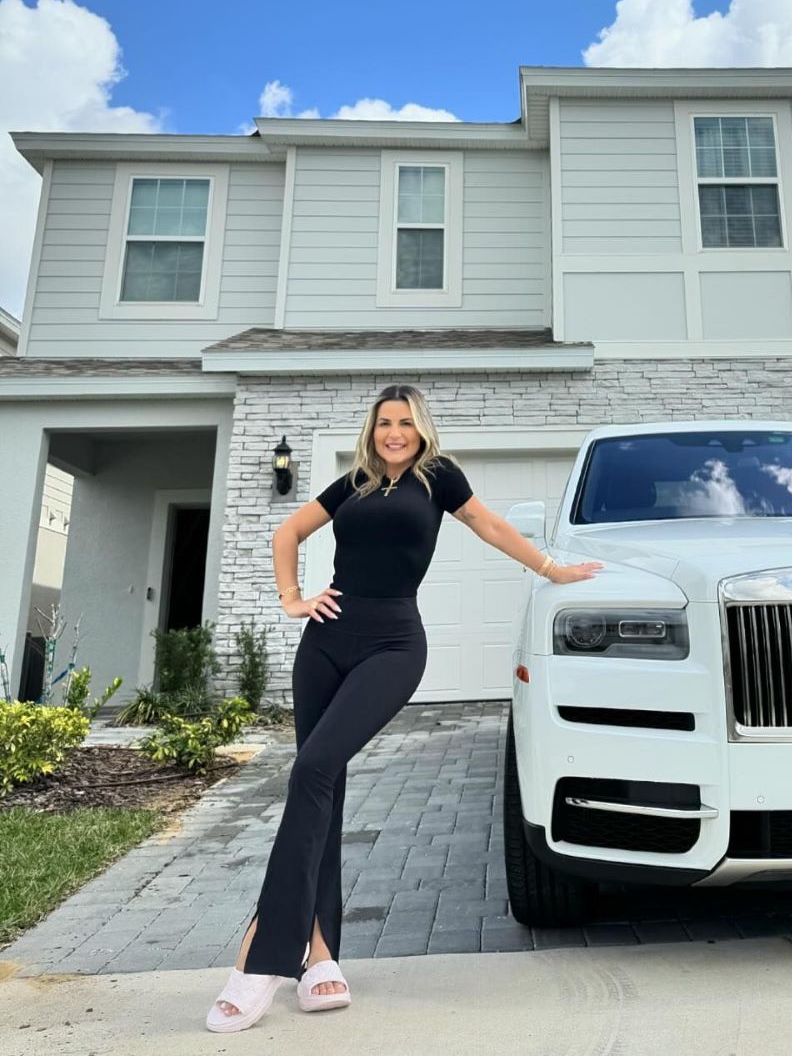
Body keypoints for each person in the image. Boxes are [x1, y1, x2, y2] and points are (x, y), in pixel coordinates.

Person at [206, 383, 602, 1033]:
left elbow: (491, 525)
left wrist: (551, 569)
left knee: (311, 770)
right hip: (323, 645)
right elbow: (287, 531)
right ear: (373, 430)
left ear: (422, 430)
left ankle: (261, 957)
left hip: (392, 645)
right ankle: (320, 957)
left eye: (406, 422)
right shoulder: (354, 483)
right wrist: (292, 597)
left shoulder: (438, 479)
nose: (394, 432)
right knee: (321, 788)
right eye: (385, 422)